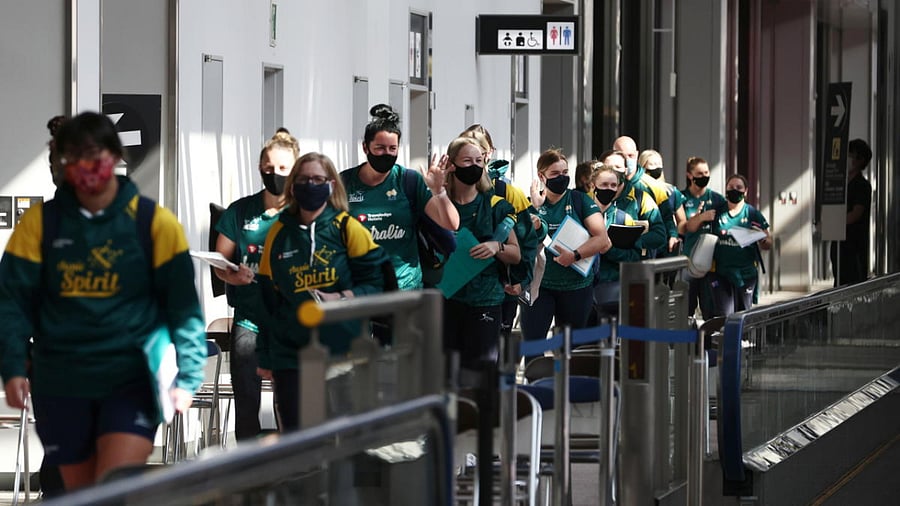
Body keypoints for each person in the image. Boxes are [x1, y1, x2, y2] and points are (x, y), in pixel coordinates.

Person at [0, 111, 206, 491]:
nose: (84, 165)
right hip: (61, 381)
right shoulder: (39, 224)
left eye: (92, 153)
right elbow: (12, 302)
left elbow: (183, 306)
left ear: (114, 156)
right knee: (81, 495)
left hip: (132, 378)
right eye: (72, 157)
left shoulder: (153, 223)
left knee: (113, 488)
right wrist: (12, 366)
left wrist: (190, 375)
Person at [253, 152, 391, 432]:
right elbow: (267, 299)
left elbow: (379, 286)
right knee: (298, 436)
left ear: (331, 185)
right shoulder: (277, 232)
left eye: (318, 179)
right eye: (303, 179)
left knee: (343, 434)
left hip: (343, 350)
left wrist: (340, 299)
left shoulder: (347, 228)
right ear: (292, 186)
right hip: (291, 354)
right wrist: (265, 356)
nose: (310, 185)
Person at [213, 130, 299, 441]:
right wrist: (231, 275)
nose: (273, 174)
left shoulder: (305, 213)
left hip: (292, 319)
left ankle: (291, 461)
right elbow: (220, 259)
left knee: (290, 398)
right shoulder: (241, 211)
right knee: (246, 395)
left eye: (281, 169)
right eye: (267, 167)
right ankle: (247, 466)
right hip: (250, 316)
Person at [341, 104, 458, 291]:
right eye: (379, 148)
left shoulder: (409, 181)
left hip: (404, 290)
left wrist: (439, 192)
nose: (386, 154)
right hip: (359, 291)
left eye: (392, 148)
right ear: (365, 147)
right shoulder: (344, 183)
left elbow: (451, 223)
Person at [441, 136, 521, 372]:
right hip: (447, 297)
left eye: (479, 160)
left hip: (485, 299)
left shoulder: (496, 205)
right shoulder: (438, 201)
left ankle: (482, 410)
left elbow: (516, 254)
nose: (474, 166)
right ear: (452, 164)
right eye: (467, 160)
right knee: (447, 373)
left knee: (480, 373)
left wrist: (497, 247)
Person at [521, 149, 612, 352]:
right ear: (541, 176)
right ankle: (536, 383)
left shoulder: (580, 200)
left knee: (570, 351)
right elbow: (521, 242)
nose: (562, 177)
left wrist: (575, 255)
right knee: (533, 347)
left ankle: (566, 384)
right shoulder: (530, 204)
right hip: (539, 287)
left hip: (576, 287)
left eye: (565, 172)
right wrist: (535, 209)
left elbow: (602, 239)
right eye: (555, 174)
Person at [590, 164, 665, 319]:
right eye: (604, 185)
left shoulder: (624, 218)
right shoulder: (581, 214)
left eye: (613, 185)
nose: (609, 189)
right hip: (582, 288)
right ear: (593, 186)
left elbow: (634, 257)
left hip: (612, 286)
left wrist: (610, 250)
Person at [708, 174, 772, 316]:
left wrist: (762, 238)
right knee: (723, 314)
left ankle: (741, 339)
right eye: (731, 187)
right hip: (720, 273)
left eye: (738, 187)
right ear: (725, 189)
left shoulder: (752, 214)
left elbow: (768, 242)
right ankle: (725, 338)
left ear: (746, 191)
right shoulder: (717, 212)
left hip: (746, 274)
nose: (734, 190)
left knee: (742, 314)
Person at [612, 136, 678, 257]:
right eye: (622, 156)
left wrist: (673, 236)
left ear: (637, 155)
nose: (626, 160)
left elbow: (666, 217)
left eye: (630, 156)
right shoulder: (599, 187)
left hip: (642, 256)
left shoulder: (654, 187)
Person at [679, 156, 727, 320]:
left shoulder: (717, 199)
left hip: (711, 263)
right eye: (699, 173)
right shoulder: (681, 198)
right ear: (689, 176)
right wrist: (700, 217)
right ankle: (686, 344)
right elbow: (684, 228)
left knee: (711, 309)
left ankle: (708, 344)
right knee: (686, 309)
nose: (704, 176)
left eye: (706, 172)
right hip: (688, 261)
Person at [831, 138, 872, 286]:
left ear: (860, 160)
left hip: (854, 246)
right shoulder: (841, 184)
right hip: (839, 244)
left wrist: (834, 222)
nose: (846, 159)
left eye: (850, 155)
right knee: (839, 282)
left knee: (852, 285)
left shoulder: (862, 186)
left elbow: (855, 214)